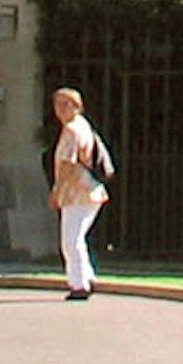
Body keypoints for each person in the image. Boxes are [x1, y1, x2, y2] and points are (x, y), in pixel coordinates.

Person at [48, 86, 112, 299]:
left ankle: (79, 285)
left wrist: (57, 191)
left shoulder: (72, 131)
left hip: (76, 192)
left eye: (65, 104)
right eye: (57, 104)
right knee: (77, 237)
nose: (60, 109)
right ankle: (87, 277)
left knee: (70, 239)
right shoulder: (84, 126)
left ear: (77, 106)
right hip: (90, 190)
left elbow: (67, 164)